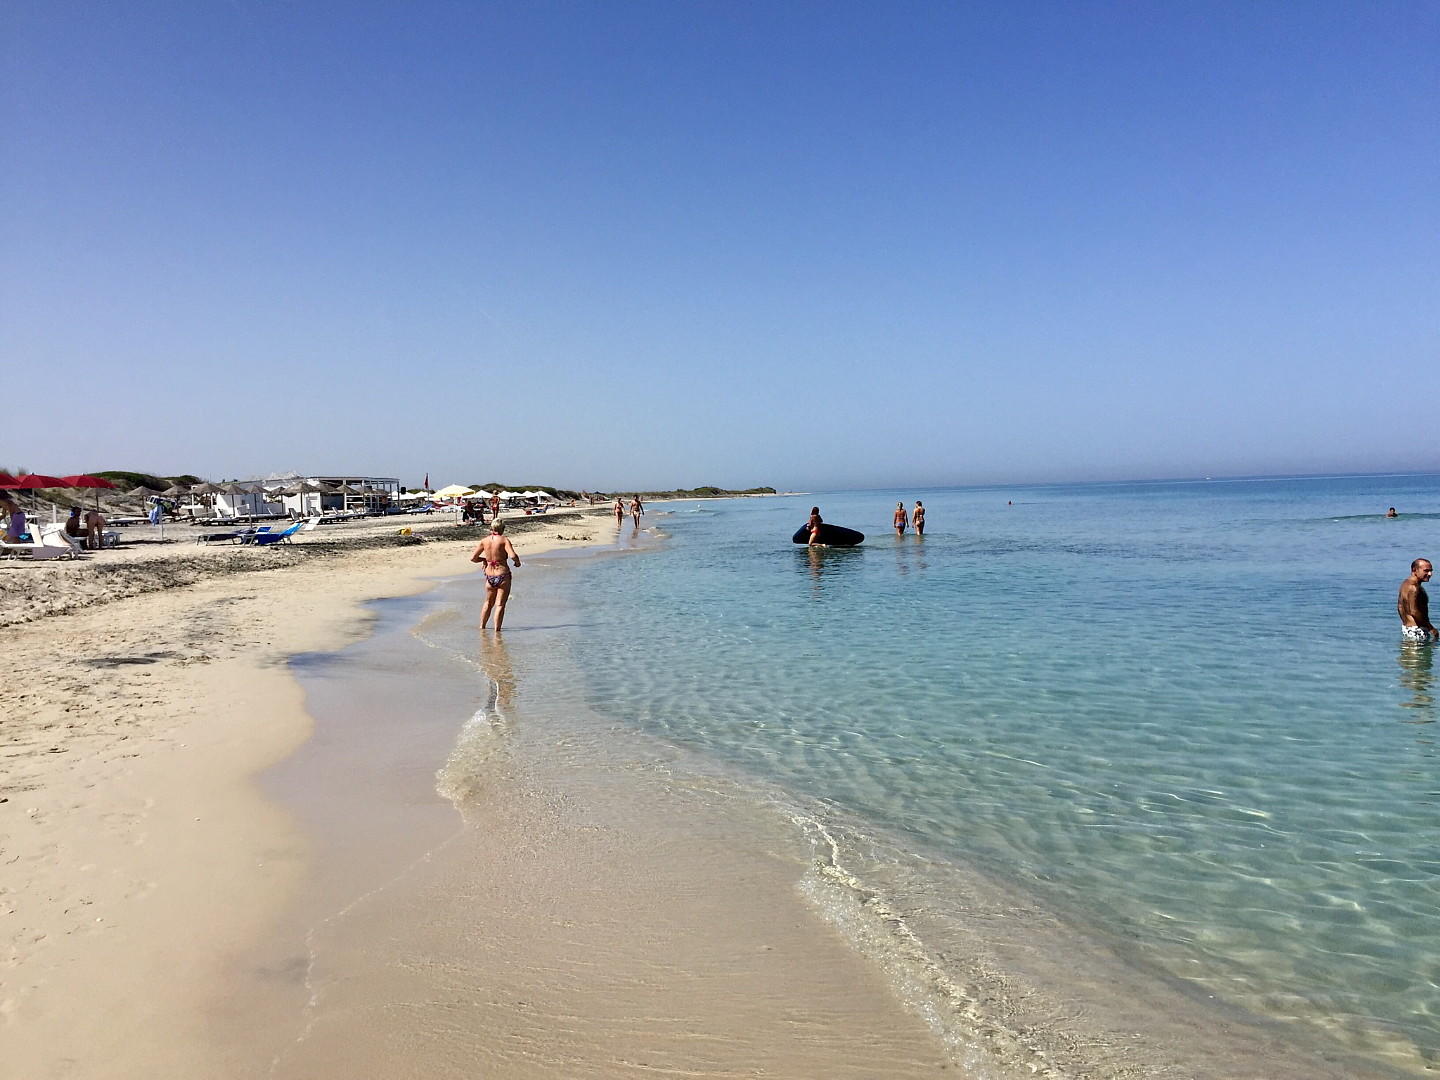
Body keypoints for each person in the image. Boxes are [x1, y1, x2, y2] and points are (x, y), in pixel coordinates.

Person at [470, 520, 522, 631]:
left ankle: (482, 627)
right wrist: (517, 562)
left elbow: (473, 558)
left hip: (489, 577)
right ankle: (497, 632)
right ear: (502, 529)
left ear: (491, 528)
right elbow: (512, 555)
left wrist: (485, 560)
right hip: (502, 575)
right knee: (500, 605)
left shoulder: (484, 541)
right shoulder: (504, 540)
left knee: (488, 602)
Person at [1398, 558, 1438, 642]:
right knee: (1419, 655)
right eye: (1426, 571)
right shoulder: (1414, 588)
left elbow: (1400, 607)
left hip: (1408, 628)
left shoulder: (1405, 583)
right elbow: (1414, 611)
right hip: (1417, 630)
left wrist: (1406, 622)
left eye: (1431, 571)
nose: (1430, 574)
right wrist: (1431, 628)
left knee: (1408, 655)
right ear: (1414, 570)